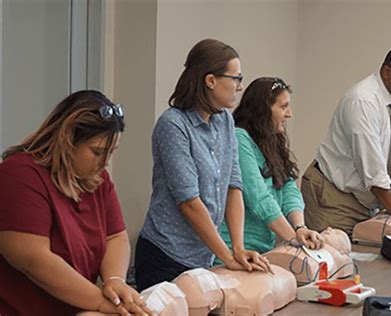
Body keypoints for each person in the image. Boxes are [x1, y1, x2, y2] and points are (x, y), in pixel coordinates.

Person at [135, 39, 271, 292]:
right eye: (236, 79)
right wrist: (228, 257)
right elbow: (188, 201)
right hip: (166, 256)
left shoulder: (225, 122)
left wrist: (238, 248)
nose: (239, 87)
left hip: (203, 256)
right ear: (210, 81)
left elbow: (234, 185)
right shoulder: (173, 125)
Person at [0, 90, 152, 315]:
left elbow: (116, 236)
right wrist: (102, 302)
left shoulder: (97, 180)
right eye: (97, 152)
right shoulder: (20, 175)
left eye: (112, 152)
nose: (105, 162)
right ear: (67, 139)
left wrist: (115, 280)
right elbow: (33, 259)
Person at [302, 46, 391, 236]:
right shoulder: (362, 100)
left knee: (370, 256)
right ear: (386, 72)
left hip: (369, 198)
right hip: (334, 195)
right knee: (338, 257)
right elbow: (371, 164)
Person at [220, 77, 323, 254]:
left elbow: (288, 187)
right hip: (235, 250)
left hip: (262, 249)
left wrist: (300, 228)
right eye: (283, 107)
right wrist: (294, 240)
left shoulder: (272, 139)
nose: (289, 114)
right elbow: (258, 197)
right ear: (263, 110)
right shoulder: (239, 137)